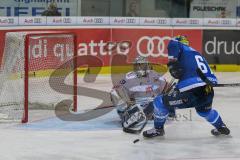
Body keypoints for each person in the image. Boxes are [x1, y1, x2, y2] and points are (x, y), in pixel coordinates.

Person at [143, 35, 230, 138]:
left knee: (159, 101)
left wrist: (172, 64)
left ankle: (158, 130)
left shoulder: (175, 43)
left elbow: (175, 68)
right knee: (204, 111)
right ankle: (221, 126)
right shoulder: (196, 54)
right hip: (208, 91)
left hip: (192, 93)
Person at [110, 56, 175, 133]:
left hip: (153, 104)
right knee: (114, 94)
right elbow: (116, 90)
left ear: (147, 65)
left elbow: (166, 87)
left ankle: (157, 113)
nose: (140, 67)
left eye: (142, 65)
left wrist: (168, 91)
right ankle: (126, 114)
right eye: (137, 65)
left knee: (172, 90)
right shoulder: (129, 77)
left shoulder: (154, 75)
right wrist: (126, 101)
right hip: (137, 105)